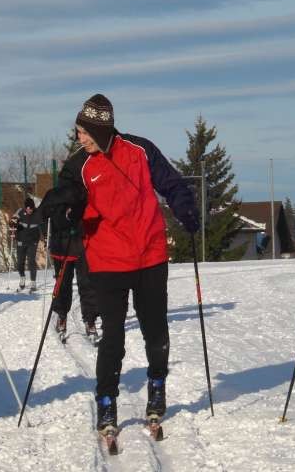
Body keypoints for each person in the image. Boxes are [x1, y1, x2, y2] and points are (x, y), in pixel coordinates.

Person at [58, 94, 199, 436]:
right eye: (78, 131)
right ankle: (106, 401)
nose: (80, 138)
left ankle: (157, 385)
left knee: (156, 330)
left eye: (84, 132)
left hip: (150, 255)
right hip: (107, 261)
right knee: (113, 336)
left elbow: (172, 183)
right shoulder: (78, 166)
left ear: (101, 129)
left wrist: (186, 208)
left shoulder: (140, 150)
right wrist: (65, 211)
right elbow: (64, 200)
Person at [39, 183, 99, 340]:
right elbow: (42, 216)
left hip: (80, 243)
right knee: (66, 283)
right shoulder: (55, 194)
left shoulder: (84, 191)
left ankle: (89, 319)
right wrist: (47, 234)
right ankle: (63, 316)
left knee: (83, 283)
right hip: (64, 246)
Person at [10, 197, 42, 291]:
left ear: (33, 208)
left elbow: (43, 225)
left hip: (33, 241)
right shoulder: (20, 211)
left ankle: (33, 282)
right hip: (21, 240)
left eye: (31, 209)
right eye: (28, 209)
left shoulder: (37, 213)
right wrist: (13, 224)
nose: (29, 211)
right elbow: (12, 221)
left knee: (31, 261)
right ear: (25, 208)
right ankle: (22, 277)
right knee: (20, 262)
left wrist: (45, 237)